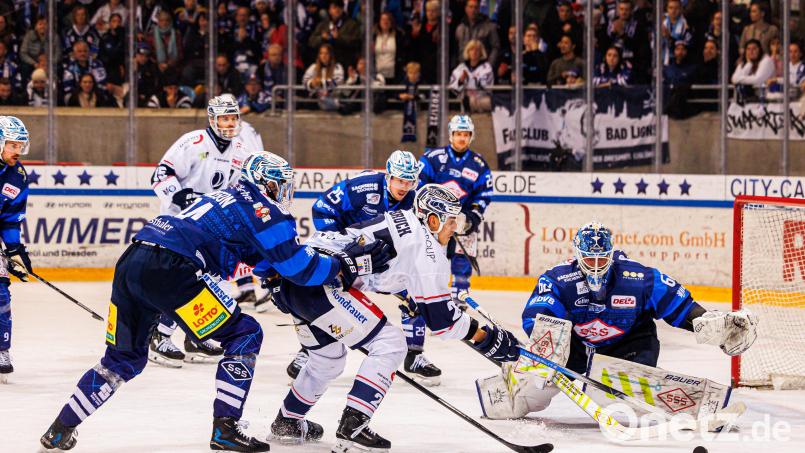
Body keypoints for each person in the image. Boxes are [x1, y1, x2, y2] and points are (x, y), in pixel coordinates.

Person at [39, 151, 392, 452]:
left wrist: (272, 274)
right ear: (267, 183)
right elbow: (300, 268)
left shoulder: (229, 195)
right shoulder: (265, 209)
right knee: (246, 333)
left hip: (134, 259)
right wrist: (347, 264)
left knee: (121, 359)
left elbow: (259, 256)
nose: (285, 191)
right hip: (174, 268)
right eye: (281, 184)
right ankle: (225, 428)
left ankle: (60, 429)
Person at [266, 184, 521, 450]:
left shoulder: (405, 220)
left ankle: (288, 422)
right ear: (433, 219)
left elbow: (388, 268)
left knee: (327, 360)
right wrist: (488, 338)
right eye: (450, 222)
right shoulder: (429, 251)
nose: (454, 229)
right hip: (323, 283)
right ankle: (353, 425)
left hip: (296, 278)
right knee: (391, 343)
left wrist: (409, 295)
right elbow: (443, 323)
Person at [476, 221, 758, 419]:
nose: (596, 265)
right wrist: (546, 350)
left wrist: (711, 324)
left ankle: (678, 399)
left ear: (611, 255)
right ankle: (509, 394)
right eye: (590, 259)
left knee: (623, 406)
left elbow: (679, 306)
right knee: (536, 384)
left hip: (629, 345)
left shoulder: (637, 278)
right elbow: (539, 315)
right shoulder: (559, 279)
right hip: (577, 349)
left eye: (602, 259)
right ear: (578, 256)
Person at [284, 151, 442, 385]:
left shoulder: (414, 200)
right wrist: (341, 249)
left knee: (415, 295)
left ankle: (415, 354)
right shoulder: (363, 187)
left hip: (382, 259)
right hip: (348, 255)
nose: (404, 186)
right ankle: (309, 351)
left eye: (409, 181)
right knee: (323, 296)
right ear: (388, 175)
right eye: (399, 180)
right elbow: (322, 207)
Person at [146, 94, 255, 367]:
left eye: (233, 118)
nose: (229, 123)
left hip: (212, 226)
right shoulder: (193, 142)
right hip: (180, 224)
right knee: (184, 280)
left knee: (214, 280)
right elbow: (161, 174)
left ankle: (196, 335)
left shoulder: (240, 150)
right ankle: (160, 334)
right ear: (212, 119)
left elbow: (237, 188)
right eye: (224, 118)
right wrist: (181, 195)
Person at [418, 115, 492, 307]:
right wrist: (429, 211)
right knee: (432, 258)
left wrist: (473, 215)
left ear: (471, 136)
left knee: (461, 260)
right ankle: (433, 298)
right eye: (458, 134)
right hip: (435, 220)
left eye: (466, 134)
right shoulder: (433, 158)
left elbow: (484, 194)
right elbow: (419, 186)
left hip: (462, 219)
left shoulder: (479, 164)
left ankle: (459, 297)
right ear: (450, 135)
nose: (461, 138)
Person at [0, 116, 33, 384]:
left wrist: (14, 251)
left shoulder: (17, 176)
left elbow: (10, 219)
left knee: (1, 291)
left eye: (20, 146)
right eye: (12, 145)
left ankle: (1, 350)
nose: (17, 152)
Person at [449, 40, 494, 113]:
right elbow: (453, 88)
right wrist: (461, 80)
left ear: (481, 53)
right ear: (468, 52)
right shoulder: (461, 67)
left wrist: (468, 78)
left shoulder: (487, 67)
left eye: (477, 50)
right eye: (472, 49)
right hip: (463, 106)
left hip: (481, 104)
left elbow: (484, 84)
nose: (474, 52)